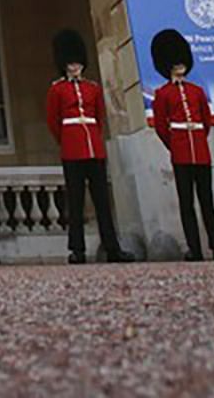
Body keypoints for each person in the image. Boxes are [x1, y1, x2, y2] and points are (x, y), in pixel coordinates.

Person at [45, 29, 134, 264]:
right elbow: (54, 122)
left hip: (93, 148)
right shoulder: (57, 89)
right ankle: (77, 249)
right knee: (75, 203)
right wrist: (67, 142)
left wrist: (93, 140)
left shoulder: (92, 88)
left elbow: (99, 118)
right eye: (70, 63)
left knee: (103, 202)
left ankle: (112, 247)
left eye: (76, 63)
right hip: (72, 150)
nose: (74, 67)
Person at [149, 28, 214, 263]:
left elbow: (205, 122)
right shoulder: (163, 94)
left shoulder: (196, 91)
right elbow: (161, 127)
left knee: (208, 202)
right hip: (181, 152)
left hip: (199, 150)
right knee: (187, 204)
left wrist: (194, 138)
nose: (179, 66)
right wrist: (176, 144)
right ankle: (194, 248)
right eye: (175, 62)